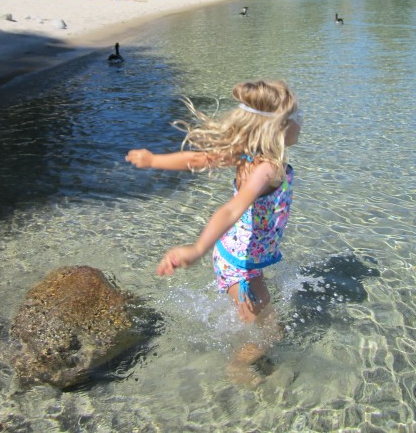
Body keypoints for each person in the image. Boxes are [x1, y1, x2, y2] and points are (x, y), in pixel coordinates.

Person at [126, 79, 302, 329]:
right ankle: (238, 369)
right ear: (279, 127)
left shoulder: (249, 154)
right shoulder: (266, 169)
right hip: (241, 266)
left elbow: (198, 159)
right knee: (268, 333)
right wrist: (197, 249)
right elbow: (231, 209)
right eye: (298, 115)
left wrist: (154, 160)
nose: (302, 121)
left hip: (241, 256)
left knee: (264, 326)